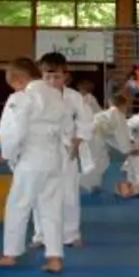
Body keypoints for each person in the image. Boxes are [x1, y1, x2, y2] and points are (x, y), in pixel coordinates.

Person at [0, 59, 71, 274]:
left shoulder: (22, 97)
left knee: (18, 205)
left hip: (31, 159)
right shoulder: (57, 95)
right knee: (51, 208)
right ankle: (55, 257)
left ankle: (11, 253)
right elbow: (67, 127)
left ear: (18, 80)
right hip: (54, 159)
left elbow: (13, 131)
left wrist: (6, 153)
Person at [31, 53, 88, 252]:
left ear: (66, 75)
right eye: (47, 76)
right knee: (40, 193)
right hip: (40, 148)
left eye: (57, 76)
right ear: (41, 75)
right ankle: (41, 234)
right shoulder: (34, 94)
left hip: (66, 149)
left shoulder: (73, 97)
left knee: (69, 192)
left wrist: (77, 142)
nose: (52, 81)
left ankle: (71, 234)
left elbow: (84, 122)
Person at [86, 92, 133, 192]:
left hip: (91, 135)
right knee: (99, 160)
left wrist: (125, 148)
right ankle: (89, 184)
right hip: (94, 137)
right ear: (123, 105)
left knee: (101, 160)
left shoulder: (107, 113)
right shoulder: (118, 114)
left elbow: (110, 136)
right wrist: (128, 149)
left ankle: (94, 184)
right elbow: (121, 134)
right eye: (126, 106)